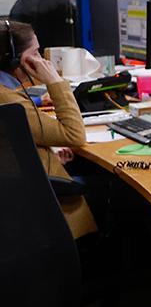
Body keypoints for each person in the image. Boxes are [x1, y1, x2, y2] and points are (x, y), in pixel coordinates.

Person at [0, 19, 96, 238]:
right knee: (117, 191)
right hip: (47, 210)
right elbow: (74, 134)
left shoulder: (7, 93)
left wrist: (41, 156)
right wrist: (55, 81)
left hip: (20, 197)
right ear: (16, 60)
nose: (41, 60)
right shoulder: (8, 100)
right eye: (35, 53)